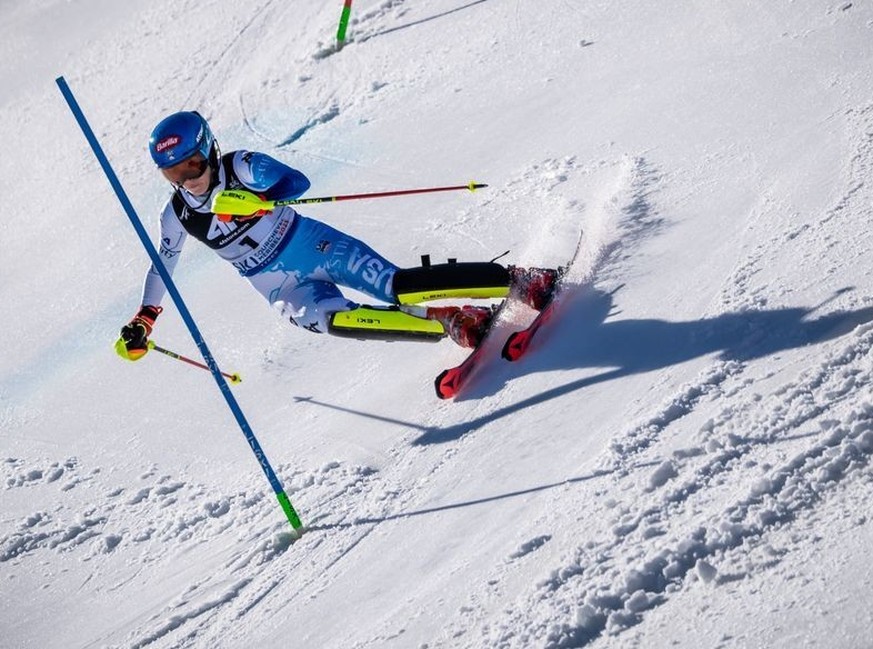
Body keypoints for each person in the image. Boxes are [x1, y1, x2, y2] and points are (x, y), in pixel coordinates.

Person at [117, 111, 557, 361]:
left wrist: (260, 199)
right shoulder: (175, 214)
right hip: (280, 288)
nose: (186, 179)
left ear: (208, 150)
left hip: (316, 248)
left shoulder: (241, 166)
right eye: (173, 172)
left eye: (191, 165)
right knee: (342, 322)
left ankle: (520, 280)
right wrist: (145, 318)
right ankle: (449, 319)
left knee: (395, 286)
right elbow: (164, 266)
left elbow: (296, 183)